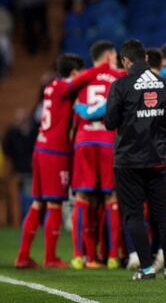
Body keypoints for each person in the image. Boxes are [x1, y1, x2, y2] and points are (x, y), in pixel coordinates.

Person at [14, 53, 107, 269]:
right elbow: (82, 80)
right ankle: (50, 257)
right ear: (74, 73)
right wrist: (103, 67)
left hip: (41, 147)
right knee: (54, 203)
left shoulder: (50, 86)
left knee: (38, 203)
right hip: (55, 152)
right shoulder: (63, 87)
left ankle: (23, 256)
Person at [105, 39, 166, 280]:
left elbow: (110, 123)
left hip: (128, 161)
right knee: (164, 214)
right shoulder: (165, 83)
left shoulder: (120, 85)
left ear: (125, 60)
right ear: (145, 58)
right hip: (158, 157)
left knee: (134, 214)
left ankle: (146, 268)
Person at [70, 40, 124, 270]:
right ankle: (112, 256)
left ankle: (81, 256)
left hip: (83, 141)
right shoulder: (118, 77)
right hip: (107, 141)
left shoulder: (82, 79)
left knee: (83, 199)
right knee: (111, 198)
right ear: (110, 55)